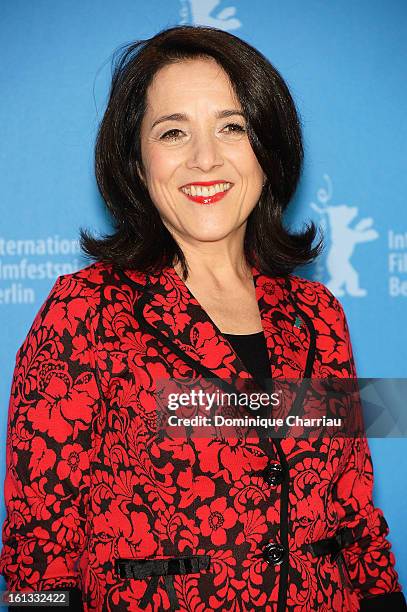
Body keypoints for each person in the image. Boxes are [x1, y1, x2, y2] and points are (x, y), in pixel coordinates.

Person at [0, 24, 405, 612]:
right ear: (137, 164)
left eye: (232, 127)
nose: (205, 158)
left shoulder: (320, 315)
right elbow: (36, 553)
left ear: (268, 153)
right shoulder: (83, 312)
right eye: (173, 132)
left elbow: (354, 511)